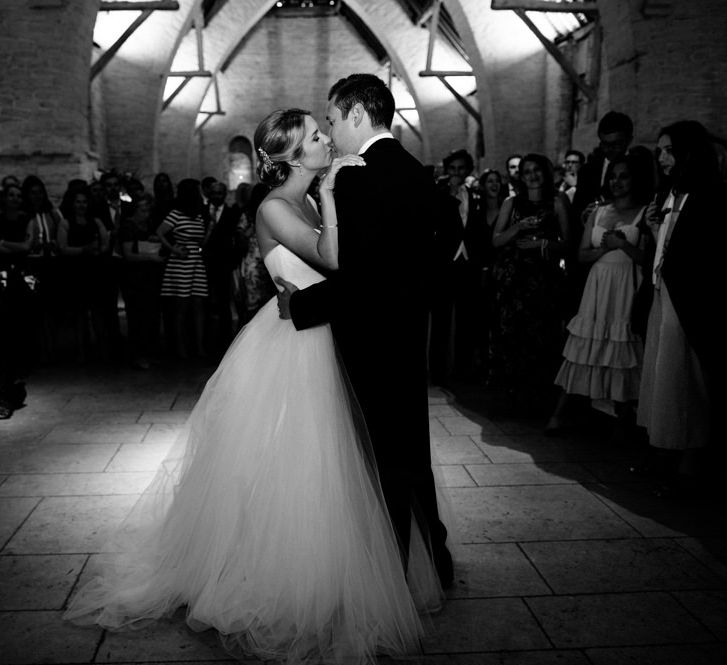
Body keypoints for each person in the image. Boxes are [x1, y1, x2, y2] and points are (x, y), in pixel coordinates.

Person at [64, 107, 442, 664]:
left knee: (337, 465)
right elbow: (336, 258)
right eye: (316, 136)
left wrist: (335, 199)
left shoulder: (309, 198)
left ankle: (331, 571)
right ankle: (281, 579)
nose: (326, 140)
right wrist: (336, 194)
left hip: (321, 332)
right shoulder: (275, 206)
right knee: (296, 465)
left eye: (324, 129)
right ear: (288, 157)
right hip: (293, 349)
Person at [276, 74, 453, 588]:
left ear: (356, 114)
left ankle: (390, 579)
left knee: (380, 462)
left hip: (370, 340)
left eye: (330, 119)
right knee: (411, 452)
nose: (330, 132)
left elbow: (362, 276)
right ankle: (434, 564)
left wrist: (303, 304)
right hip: (405, 335)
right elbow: (442, 245)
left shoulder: (357, 177)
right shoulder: (420, 172)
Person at [636, 120, 724, 495]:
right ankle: (667, 449)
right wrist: (657, 231)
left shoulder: (711, 195)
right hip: (664, 292)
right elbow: (666, 248)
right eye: (659, 151)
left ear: (689, 152)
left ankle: (691, 461)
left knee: (686, 379)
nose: (662, 158)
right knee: (665, 375)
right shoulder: (668, 193)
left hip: (690, 299)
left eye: (669, 150)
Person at [546, 152, 654, 434]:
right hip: (598, 283)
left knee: (623, 346)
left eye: (624, 176)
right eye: (614, 177)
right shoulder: (599, 211)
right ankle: (560, 414)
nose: (617, 182)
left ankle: (623, 416)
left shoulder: (645, 212)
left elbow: (649, 259)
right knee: (585, 344)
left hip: (627, 284)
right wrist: (605, 248)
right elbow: (581, 254)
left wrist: (623, 245)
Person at [490, 153, 570, 411]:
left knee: (541, 338)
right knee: (513, 338)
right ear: (520, 176)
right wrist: (519, 227)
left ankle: (538, 398)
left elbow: (568, 243)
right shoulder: (511, 203)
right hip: (514, 280)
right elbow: (496, 240)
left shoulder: (558, 201)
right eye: (527, 171)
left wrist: (542, 243)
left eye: (537, 170)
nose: (532, 175)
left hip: (543, 279)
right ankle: (514, 396)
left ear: (545, 172)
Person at [429, 148, 489, 385]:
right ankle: (438, 371)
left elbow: (478, 230)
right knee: (441, 321)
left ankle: (463, 370)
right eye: (453, 169)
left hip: (468, 264)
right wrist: (449, 193)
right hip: (444, 263)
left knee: (466, 319)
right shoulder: (439, 193)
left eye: (461, 169)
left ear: (469, 170)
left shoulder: (475, 195)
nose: (457, 173)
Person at [156, 179, 210, 359]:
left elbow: (200, 239)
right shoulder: (176, 214)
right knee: (181, 306)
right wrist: (173, 249)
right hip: (180, 261)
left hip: (196, 259)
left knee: (198, 304)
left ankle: (200, 345)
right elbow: (160, 232)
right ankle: (180, 347)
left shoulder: (199, 215)